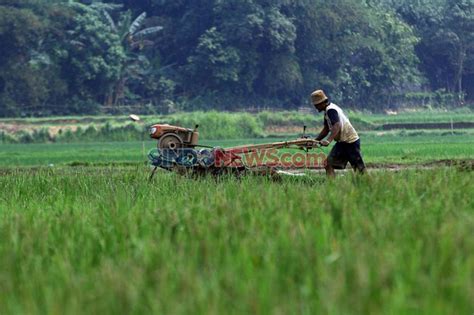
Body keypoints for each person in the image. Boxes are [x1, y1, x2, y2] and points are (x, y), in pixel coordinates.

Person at [311, 89, 366, 177]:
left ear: (322, 103)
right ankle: (331, 186)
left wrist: (328, 140)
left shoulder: (331, 110)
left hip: (351, 142)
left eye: (316, 105)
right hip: (342, 143)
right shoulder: (327, 111)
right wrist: (315, 141)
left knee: (359, 169)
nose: (315, 107)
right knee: (328, 163)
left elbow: (337, 125)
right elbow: (326, 129)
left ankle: (367, 185)